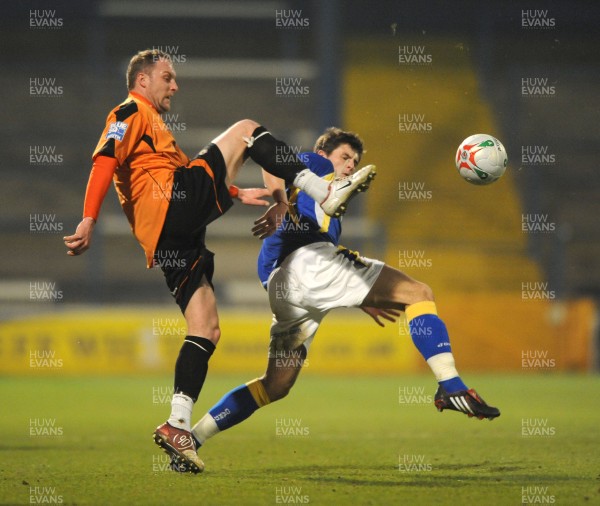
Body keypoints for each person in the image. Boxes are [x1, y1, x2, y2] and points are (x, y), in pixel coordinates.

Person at [62, 50, 376, 474]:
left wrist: (234, 193)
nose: (175, 85)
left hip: (170, 236)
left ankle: (178, 425)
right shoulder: (129, 110)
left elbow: (162, 171)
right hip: (172, 208)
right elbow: (103, 161)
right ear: (141, 80)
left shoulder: (155, 129)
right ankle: (324, 192)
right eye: (167, 77)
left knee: (206, 327)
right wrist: (88, 218)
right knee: (247, 129)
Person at [178, 127, 500, 473]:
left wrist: (362, 298)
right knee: (419, 294)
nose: (349, 166)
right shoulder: (314, 163)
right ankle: (450, 386)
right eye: (345, 157)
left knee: (275, 385)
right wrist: (280, 201)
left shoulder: (329, 213)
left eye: (355, 161)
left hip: (286, 290)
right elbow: (270, 159)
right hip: (303, 264)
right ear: (324, 152)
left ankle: (189, 440)